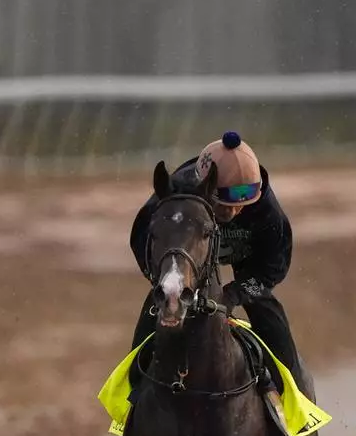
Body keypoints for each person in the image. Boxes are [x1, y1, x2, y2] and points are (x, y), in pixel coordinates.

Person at [127, 131, 305, 393]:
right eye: (223, 204)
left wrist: (233, 294)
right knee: (147, 332)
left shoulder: (267, 211)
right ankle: (132, 394)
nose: (232, 211)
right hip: (189, 256)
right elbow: (143, 238)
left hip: (248, 260)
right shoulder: (178, 190)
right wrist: (166, 279)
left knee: (274, 330)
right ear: (207, 188)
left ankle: (294, 400)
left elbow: (273, 267)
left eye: (242, 203)